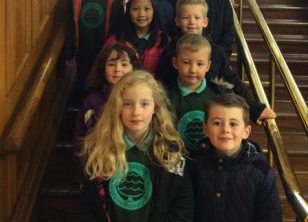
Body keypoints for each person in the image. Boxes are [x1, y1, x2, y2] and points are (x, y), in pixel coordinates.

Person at [80, 70, 194, 222]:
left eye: (144, 104)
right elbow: (88, 206)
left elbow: (183, 205)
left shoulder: (171, 153)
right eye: (127, 104)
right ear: (117, 108)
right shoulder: (99, 149)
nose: (136, 112)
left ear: (155, 108)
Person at [157, 0, 276, 125]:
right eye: (186, 17)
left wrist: (253, 108)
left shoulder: (217, 52)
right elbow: (161, 83)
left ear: (205, 21)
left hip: (211, 112)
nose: (192, 22)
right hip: (177, 113)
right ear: (177, 21)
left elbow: (232, 80)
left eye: (197, 18)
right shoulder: (169, 52)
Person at [190, 93, 282, 222]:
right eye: (217, 123)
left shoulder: (261, 171)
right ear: (205, 128)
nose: (225, 129)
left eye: (233, 124)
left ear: (246, 132)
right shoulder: (192, 164)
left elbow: (270, 216)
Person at [63, 0, 117, 98]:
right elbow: (69, 23)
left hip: (104, 49)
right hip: (83, 49)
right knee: (85, 83)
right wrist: (69, 50)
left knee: (104, 83)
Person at [73, 42, 142, 154]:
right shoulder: (92, 102)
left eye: (124, 64)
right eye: (111, 64)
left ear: (134, 69)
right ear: (103, 70)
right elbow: (80, 140)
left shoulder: (142, 100)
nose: (117, 69)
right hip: (100, 164)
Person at [103, 0, 170, 75]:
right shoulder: (115, 40)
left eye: (147, 9)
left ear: (154, 11)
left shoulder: (164, 41)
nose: (141, 14)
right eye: (135, 9)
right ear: (128, 11)